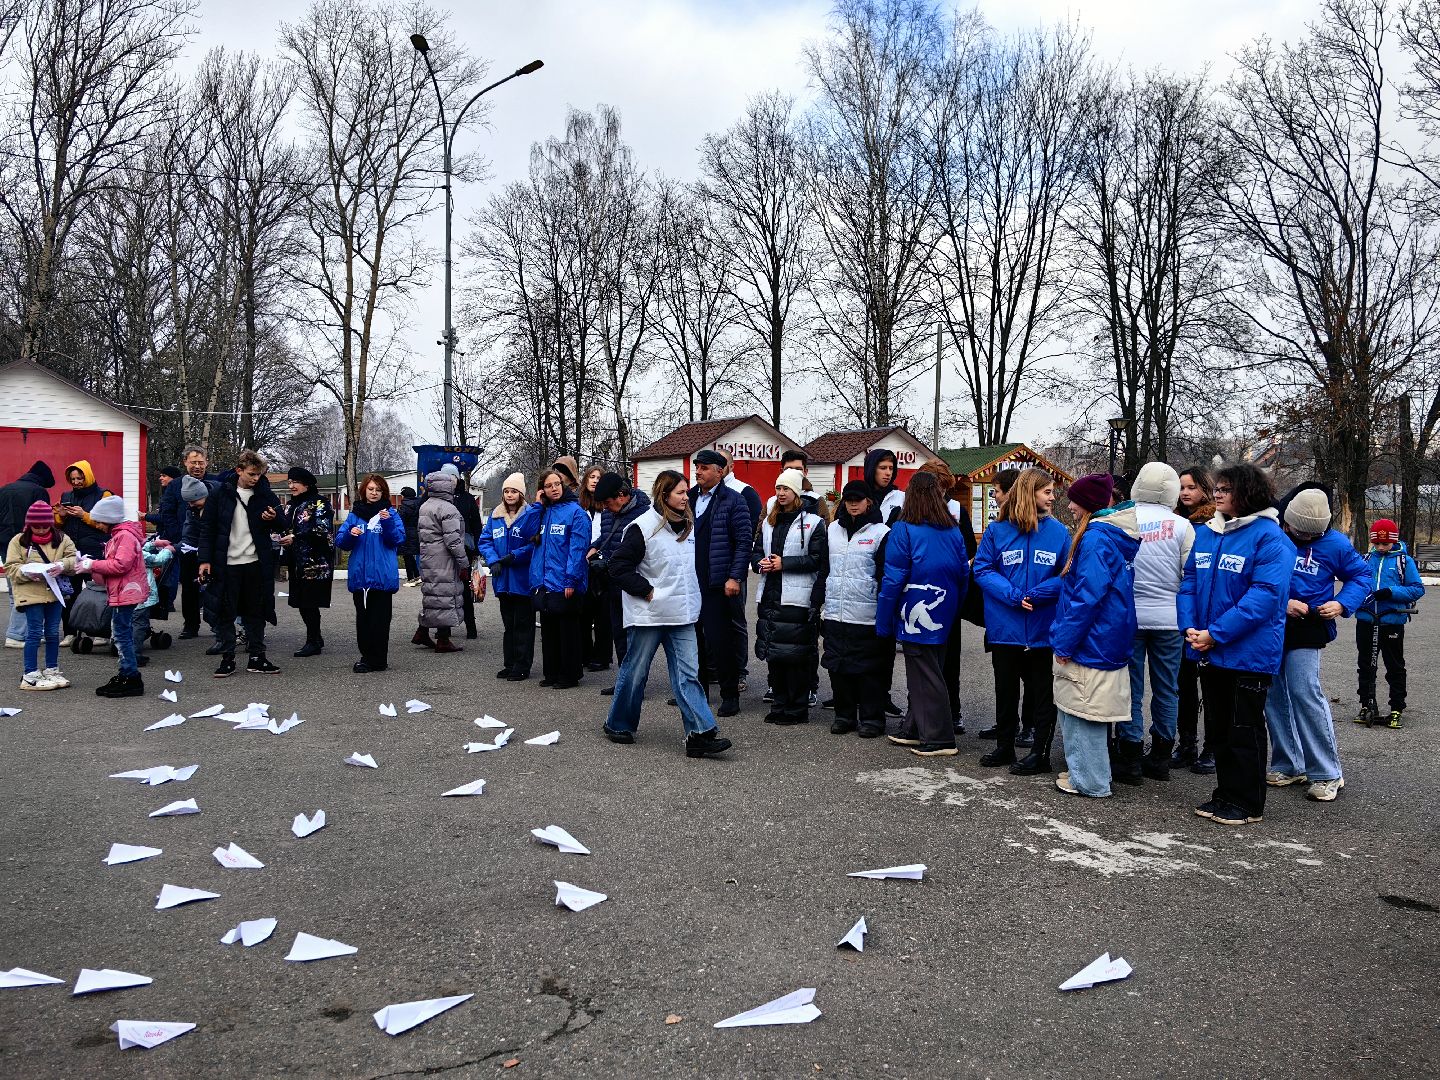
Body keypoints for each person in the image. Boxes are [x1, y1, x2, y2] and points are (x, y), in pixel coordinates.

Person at [1177, 463, 1294, 827]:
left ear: (1248, 493)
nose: (1218, 494)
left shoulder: (1269, 537)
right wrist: (1191, 628)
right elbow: (1189, 583)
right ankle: (1226, 793)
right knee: (1219, 727)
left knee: (1244, 728)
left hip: (1248, 652)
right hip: (1208, 647)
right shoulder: (1208, 533)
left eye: (1226, 489)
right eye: (1218, 488)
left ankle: (1247, 802)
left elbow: (1265, 596)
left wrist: (1216, 633)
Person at [602, 469, 733, 758]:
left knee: (688, 676)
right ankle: (618, 724)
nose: (687, 497)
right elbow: (618, 567)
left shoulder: (689, 525)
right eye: (681, 492)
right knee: (635, 673)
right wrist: (645, 590)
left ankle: (699, 734)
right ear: (664, 495)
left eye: (687, 492)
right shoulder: (641, 527)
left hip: (682, 614)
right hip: (649, 614)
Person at [1264, 485, 1369, 801]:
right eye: (1300, 532)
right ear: (1288, 520)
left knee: (1304, 691)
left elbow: (1360, 577)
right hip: (1270, 623)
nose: (1306, 538)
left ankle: (1326, 773)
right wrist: (1283, 602)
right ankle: (1289, 763)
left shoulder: (1335, 544)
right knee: (1272, 695)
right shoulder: (1271, 534)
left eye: (1313, 535)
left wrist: (1341, 604)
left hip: (1309, 626)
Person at [971, 468, 1071, 773]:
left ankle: (1039, 753)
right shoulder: (997, 531)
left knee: (1042, 693)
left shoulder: (1059, 533)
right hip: (1006, 626)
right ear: (1030, 493)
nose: (1054, 498)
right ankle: (1004, 747)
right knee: (1006, 689)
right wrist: (1013, 594)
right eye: (1048, 492)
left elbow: (1067, 575)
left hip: (1043, 628)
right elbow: (983, 569)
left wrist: (1041, 592)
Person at [1050, 474, 1142, 798]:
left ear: (1089, 504)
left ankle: (1089, 781)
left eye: (1074, 500)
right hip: (1108, 637)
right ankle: (1088, 772)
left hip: (1091, 640)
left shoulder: (1095, 539)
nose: (1070, 506)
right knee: (1092, 710)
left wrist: (1064, 641)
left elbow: (1087, 597)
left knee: (1081, 710)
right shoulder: (1114, 535)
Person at [878, 472, 971, 757]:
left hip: (913, 608)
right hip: (945, 607)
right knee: (931, 668)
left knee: (924, 673)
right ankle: (915, 728)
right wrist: (955, 606)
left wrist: (883, 621)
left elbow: (893, 579)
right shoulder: (953, 529)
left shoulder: (903, 529)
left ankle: (939, 737)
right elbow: (963, 573)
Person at [1118, 463, 1196, 784]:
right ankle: (1162, 757)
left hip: (1131, 616)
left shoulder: (1122, 520)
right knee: (1168, 688)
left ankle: (1131, 755)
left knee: (1130, 687)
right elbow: (1189, 574)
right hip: (1169, 618)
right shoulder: (1182, 526)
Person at [198, 450, 283, 679]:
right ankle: (228, 658)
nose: (256, 479)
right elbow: (208, 528)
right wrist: (204, 560)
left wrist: (272, 517)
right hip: (226, 563)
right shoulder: (220, 494)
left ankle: (257, 657)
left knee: (256, 612)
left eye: (259, 474)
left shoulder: (264, 494)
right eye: (252, 474)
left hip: (255, 562)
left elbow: (282, 521)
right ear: (239, 471)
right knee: (226, 612)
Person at [752, 469, 826, 725]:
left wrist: (786, 563)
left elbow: (817, 559)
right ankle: (780, 704)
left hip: (796, 596)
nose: (781, 493)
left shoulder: (815, 523)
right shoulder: (769, 521)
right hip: (770, 594)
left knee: (795, 656)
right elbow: (756, 553)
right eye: (778, 489)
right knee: (775, 654)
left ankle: (796, 708)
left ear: (796, 492)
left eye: (786, 489)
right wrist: (761, 563)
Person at [821, 480, 891, 737]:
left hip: (866, 613)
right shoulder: (832, 530)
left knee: (869, 670)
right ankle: (844, 715)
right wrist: (820, 604)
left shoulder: (882, 532)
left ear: (868, 501)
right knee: (838, 667)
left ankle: (872, 719)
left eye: (858, 499)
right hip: (836, 611)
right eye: (849, 499)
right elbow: (824, 569)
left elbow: (885, 575)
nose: (852, 503)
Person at [689, 449, 753, 717]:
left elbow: (743, 541)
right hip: (691, 582)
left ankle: (729, 695)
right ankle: (697, 692)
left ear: (720, 470)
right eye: (697, 468)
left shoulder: (733, 500)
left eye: (704, 468)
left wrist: (734, 576)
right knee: (692, 643)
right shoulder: (689, 498)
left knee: (720, 641)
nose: (699, 472)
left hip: (718, 582)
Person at [917, 458, 978, 737]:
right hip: (917, 594)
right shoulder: (908, 512)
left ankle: (952, 711)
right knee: (919, 658)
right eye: (935, 488)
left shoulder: (956, 510)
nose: (939, 493)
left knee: (950, 657)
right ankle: (918, 712)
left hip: (948, 594)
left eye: (943, 488)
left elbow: (968, 548)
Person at [521, 467, 591, 688]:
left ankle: (569, 675)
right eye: (549, 486)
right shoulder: (542, 511)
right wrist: (537, 506)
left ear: (563, 486)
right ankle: (551, 673)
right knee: (549, 630)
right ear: (542, 490)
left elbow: (578, 549)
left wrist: (571, 580)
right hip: (544, 581)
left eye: (557, 484)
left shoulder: (576, 512)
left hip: (565, 581)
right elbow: (525, 532)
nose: (554, 489)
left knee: (567, 631)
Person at [1354, 517, 1426, 730]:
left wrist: (1391, 592)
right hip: (1367, 619)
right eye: (1377, 543)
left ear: (1393, 541)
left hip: (1392, 621)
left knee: (1394, 665)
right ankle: (1367, 704)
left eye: (1385, 544)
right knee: (1366, 664)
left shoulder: (1404, 561)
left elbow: (1417, 589)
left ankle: (1396, 707)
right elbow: (1356, 584)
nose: (1381, 547)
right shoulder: (1367, 559)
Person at [335, 474, 405, 673]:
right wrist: (350, 534)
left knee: (380, 621)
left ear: (384, 493)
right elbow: (341, 541)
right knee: (363, 620)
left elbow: (398, 539)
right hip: (360, 576)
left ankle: (378, 659)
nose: (374, 493)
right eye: (371, 489)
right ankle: (366, 657)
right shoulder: (355, 514)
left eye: (378, 490)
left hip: (382, 576)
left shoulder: (391, 513)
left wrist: (388, 523)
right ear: (364, 491)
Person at [4, 500, 77, 690]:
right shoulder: (18, 541)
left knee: (53, 632)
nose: (41, 530)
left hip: (54, 594)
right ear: (29, 524)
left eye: (45, 526)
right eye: (36, 526)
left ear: (51, 523)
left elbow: (73, 558)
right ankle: (30, 674)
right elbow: (10, 568)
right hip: (31, 594)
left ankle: (51, 669)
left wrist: (62, 565)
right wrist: (27, 572)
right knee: (34, 633)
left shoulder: (62, 538)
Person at [1173, 465, 1217, 772]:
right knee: (1183, 684)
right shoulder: (1175, 521)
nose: (1185, 493)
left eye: (1190, 487)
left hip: (1209, 612)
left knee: (1212, 686)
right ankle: (1185, 742)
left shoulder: (1214, 524)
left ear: (1204, 488)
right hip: (1183, 611)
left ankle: (1212, 747)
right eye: (1181, 487)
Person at [591, 471, 652, 693]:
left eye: (608, 502)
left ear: (622, 495)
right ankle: (624, 681)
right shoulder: (609, 514)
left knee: (635, 637)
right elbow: (605, 538)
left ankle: (636, 685)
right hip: (611, 582)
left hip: (633, 582)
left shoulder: (645, 514)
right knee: (619, 634)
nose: (606, 508)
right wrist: (594, 550)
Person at [83, 495, 149, 697]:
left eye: (99, 521)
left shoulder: (124, 537)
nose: (97, 525)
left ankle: (130, 676)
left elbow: (121, 565)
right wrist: (92, 567)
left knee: (121, 634)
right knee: (120, 634)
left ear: (110, 519)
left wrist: (93, 565)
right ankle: (126, 673)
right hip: (122, 591)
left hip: (126, 592)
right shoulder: (120, 535)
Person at [479, 472, 535, 681]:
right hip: (503, 580)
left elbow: (534, 544)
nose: (510, 495)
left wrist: (514, 556)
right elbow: (485, 541)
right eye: (507, 491)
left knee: (523, 626)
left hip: (522, 580)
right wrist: (494, 560)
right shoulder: (495, 516)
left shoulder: (529, 515)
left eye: (514, 491)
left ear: (520, 493)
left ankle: (522, 665)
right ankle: (510, 663)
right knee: (508, 625)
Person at [56, 459, 113, 645]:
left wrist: (84, 515)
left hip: (95, 550)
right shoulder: (66, 495)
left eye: (79, 478)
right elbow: (56, 524)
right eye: (72, 479)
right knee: (69, 592)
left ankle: (100, 632)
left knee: (98, 592)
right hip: (72, 552)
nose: (76, 482)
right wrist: (60, 516)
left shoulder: (104, 494)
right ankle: (70, 632)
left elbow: (108, 522)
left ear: (87, 476)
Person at [279, 466, 334, 658]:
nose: (291, 486)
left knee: (310, 602)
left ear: (306, 484)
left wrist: (296, 537)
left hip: (316, 562)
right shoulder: (290, 505)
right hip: (297, 561)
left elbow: (322, 529)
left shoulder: (320, 503)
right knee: (301, 601)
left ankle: (313, 641)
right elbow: (283, 525)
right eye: (290, 482)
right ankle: (315, 638)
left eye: (295, 482)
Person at [0, 460, 56, 648]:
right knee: (30, 590)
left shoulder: (5, 489)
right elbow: (45, 523)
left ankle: (30, 631)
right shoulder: (38, 492)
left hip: (5, 544)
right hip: (28, 545)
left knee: (14, 588)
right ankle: (16, 634)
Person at [721, 449, 763, 692]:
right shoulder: (701, 493)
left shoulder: (745, 492)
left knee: (736, 621)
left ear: (731, 465)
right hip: (709, 568)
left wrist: (740, 567)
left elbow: (751, 532)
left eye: (723, 463)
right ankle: (715, 669)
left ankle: (739, 672)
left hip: (735, 567)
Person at [413, 470, 468, 655]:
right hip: (445, 559)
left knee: (433, 595)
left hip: (429, 557)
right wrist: (464, 562)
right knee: (445, 596)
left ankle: (422, 631)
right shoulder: (448, 509)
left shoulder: (425, 506)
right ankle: (443, 640)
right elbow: (453, 541)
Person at [579, 465, 614, 673]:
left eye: (598, 478)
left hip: (602, 561)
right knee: (583, 611)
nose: (594, 481)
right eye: (591, 477)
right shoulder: (579, 505)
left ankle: (602, 656)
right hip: (582, 560)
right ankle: (585, 653)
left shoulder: (608, 507)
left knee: (603, 613)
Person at [397, 486, 422, 586]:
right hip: (416, 531)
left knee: (407, 555)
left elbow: (400, 521)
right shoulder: (419, 504)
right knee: (410, 555)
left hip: (406, 532)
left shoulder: (404, 506)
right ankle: (416, 576)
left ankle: (410, 579)